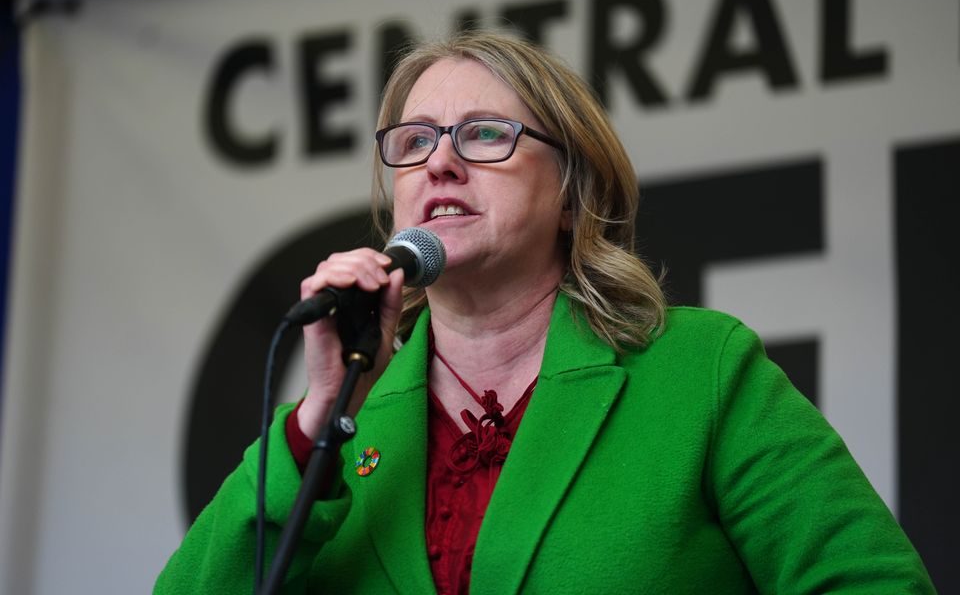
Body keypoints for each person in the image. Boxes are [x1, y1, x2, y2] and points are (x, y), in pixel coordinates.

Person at [156, 30, 934, 594]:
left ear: (571, 195)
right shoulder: (338, 428)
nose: (440, 162)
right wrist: (317, 426)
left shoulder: (700, 371)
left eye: (486, 135)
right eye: (415, 140)